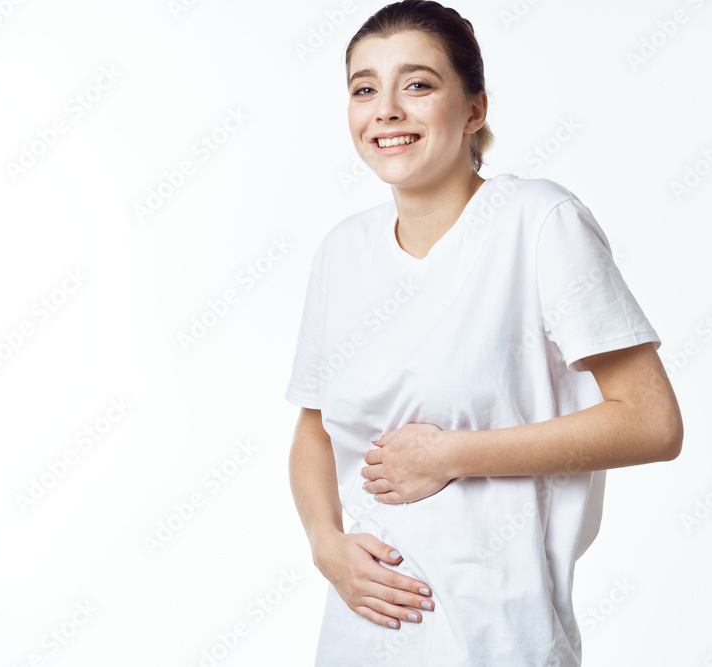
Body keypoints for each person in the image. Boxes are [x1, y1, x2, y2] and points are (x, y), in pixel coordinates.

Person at [286, 1, 683, 664]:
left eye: (416, 84)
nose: (385, 109)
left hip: (500, 637)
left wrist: (451, 455)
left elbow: (652, 422)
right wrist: (327, 545)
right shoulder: (342, 253)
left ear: (474, 109)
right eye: (364, 88)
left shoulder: (539, 223)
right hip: (362, 637)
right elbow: (312, 430)